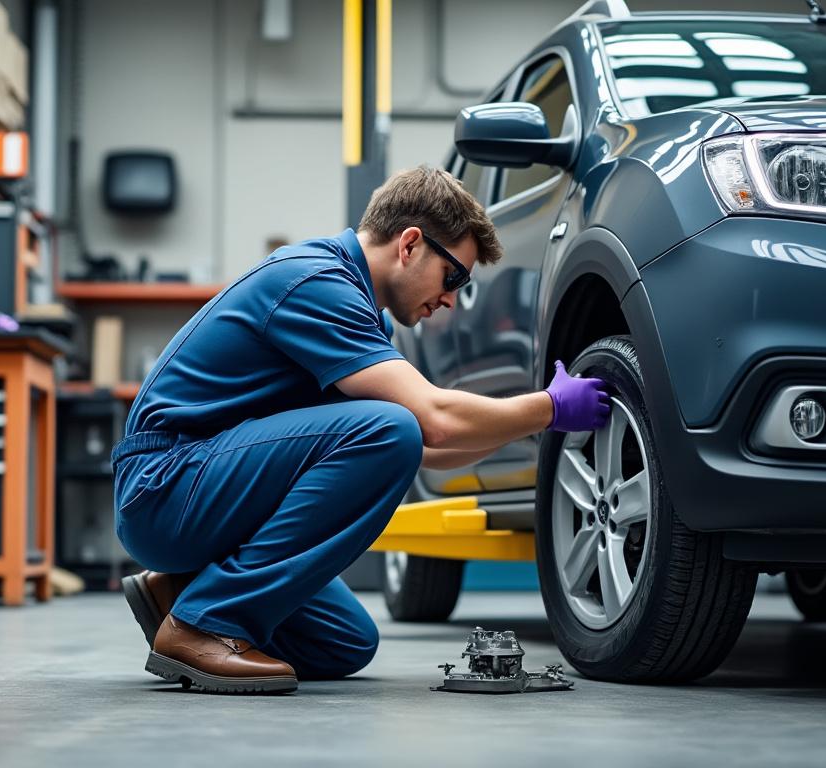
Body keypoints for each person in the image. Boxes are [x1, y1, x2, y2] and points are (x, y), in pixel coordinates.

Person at [112, 165, 610, 694]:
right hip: (164, 486)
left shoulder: (360, 309)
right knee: (390, 428)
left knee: (345, 642)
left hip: (204, 490)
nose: (449, 300)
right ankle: (205, 624)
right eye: (454, 279)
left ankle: (180, 592)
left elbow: (429, 448)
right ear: (410, 244)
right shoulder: (316, 282)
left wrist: (530, 423)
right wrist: (550, 408)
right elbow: (427, 424)